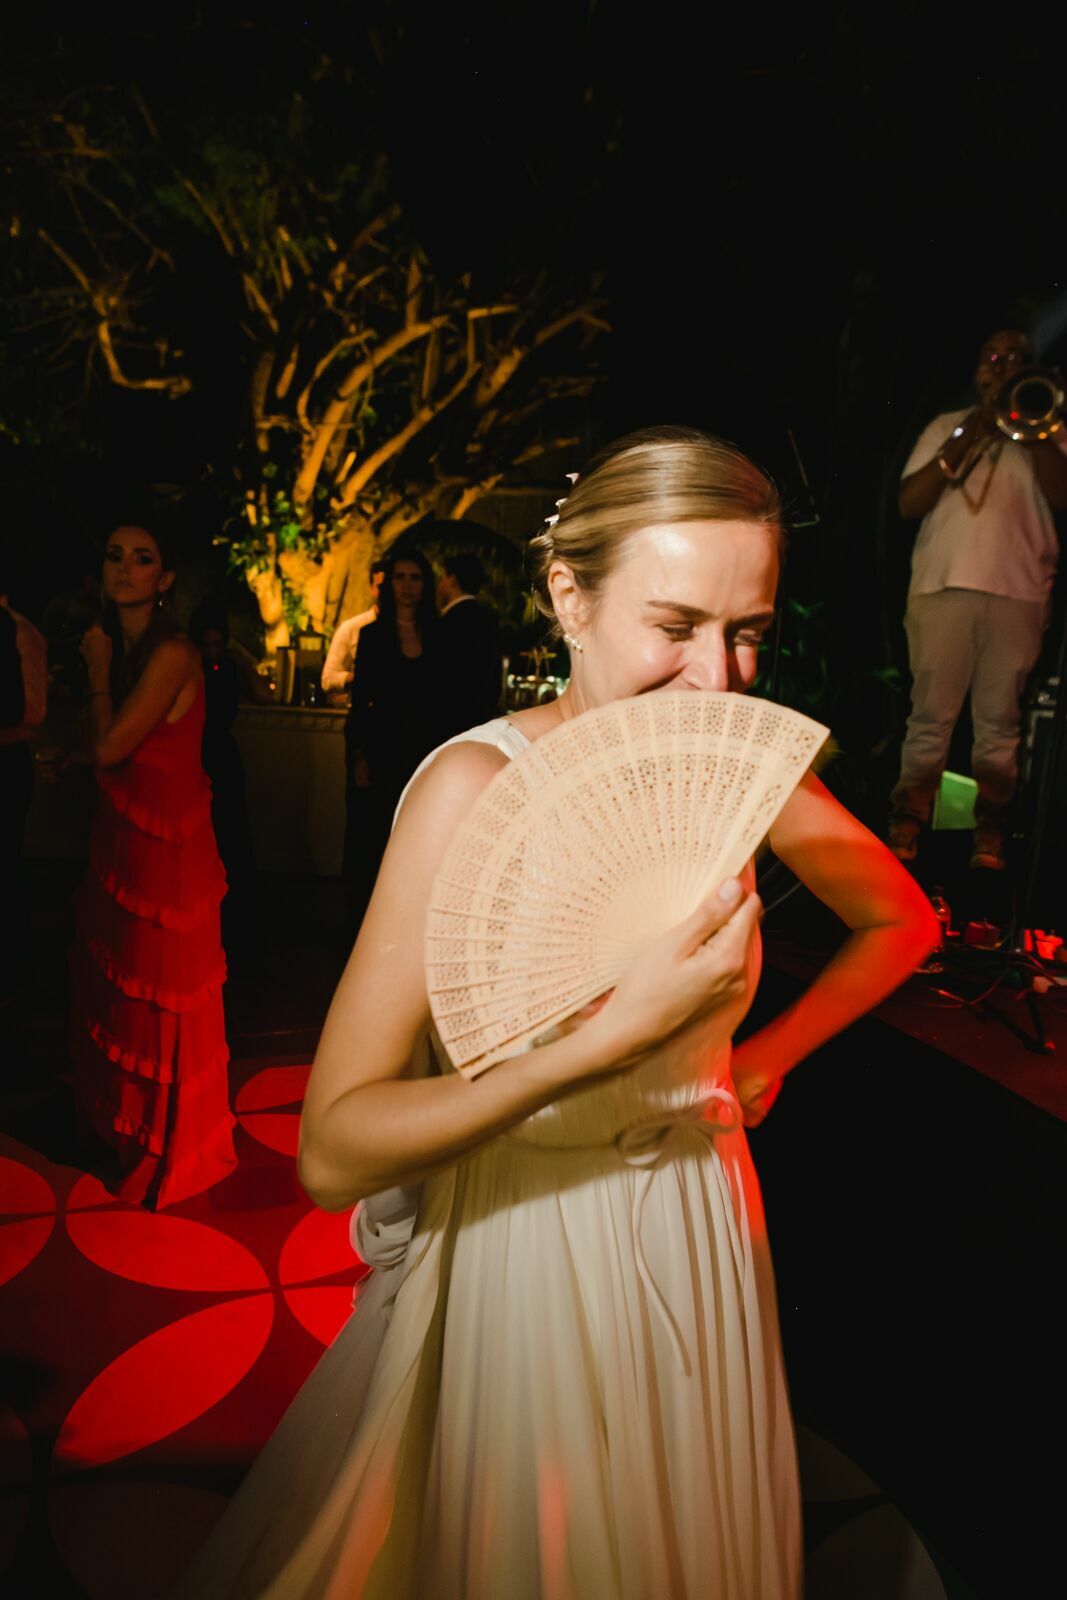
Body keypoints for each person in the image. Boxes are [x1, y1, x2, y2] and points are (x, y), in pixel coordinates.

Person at [174, 427, 936, 1599]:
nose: (717, 679)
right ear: (566, 596)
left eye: (745, 633)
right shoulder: (470, 790)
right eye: (674, 626)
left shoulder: (735, 761)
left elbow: (901, 922)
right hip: (529, 1234)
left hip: (701, 1210)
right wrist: (594, 1048)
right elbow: (332, 1148)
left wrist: (768, 1055)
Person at [71, 525, 236, 1209]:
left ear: (165, 580)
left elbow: (112, 745)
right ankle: (127, 1132)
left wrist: (97, 672)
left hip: (167, 860)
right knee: (127, 996)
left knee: (157, 998)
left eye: (143, 559)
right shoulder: (135, 650)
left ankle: (165, 1145)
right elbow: (112, 749)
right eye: (114, 555)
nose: (126, 569)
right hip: (129, 851)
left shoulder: (168, 652)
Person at [889, 328, 1067, 870]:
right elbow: (908, 503)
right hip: (943, 588)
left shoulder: (1051, 426)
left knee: (1000, 723)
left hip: (1018, 594)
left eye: (1018, 359)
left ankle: (988, 838)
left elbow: (1061, 496)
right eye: (995, 357)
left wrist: (1029, 430)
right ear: (978, 370)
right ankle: (905, 828)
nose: (1006, 365)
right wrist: (974, 429)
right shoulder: (948, 427)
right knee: (930, 719)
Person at [342, 545, 440, 935]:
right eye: (400, 577)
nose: (407, 586)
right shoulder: (372, 636)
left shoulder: (440, 635)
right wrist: (358, 755)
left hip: (422, 753)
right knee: (370, 843)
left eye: (415, 578)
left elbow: (445, 702)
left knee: (417, 844)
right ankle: (362, 930)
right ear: (388, 584)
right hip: (380, 752)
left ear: (425, 584)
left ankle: (410, 930)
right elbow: (361, 701)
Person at [188, 600, 272, 978]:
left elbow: (265, 694)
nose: (212, 652)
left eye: (217, 644)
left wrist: (236, 653)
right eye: (206, 645)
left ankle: (238, 936)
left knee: (232, 843)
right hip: (192, 756)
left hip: (222, 756)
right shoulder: (186, 670)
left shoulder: (228, 670)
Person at [0, 582, 47, 1011]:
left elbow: (33, 715)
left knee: (6, 868)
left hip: (6, 767)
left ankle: (10, 976)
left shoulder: (20, 633)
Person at [435, 550, 503, 737]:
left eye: (442, 578)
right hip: (479, 719)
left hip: (446, 720)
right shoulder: (488, 619)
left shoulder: (446, 624)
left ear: (452, 580)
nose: (439, 585)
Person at [320, 558, 388, 694]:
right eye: (381, 587)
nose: (386, 593)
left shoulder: (414, 628)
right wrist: (359, 679)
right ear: (371, 589)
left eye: (390, 587)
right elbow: (328, 678)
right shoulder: (352, 628)